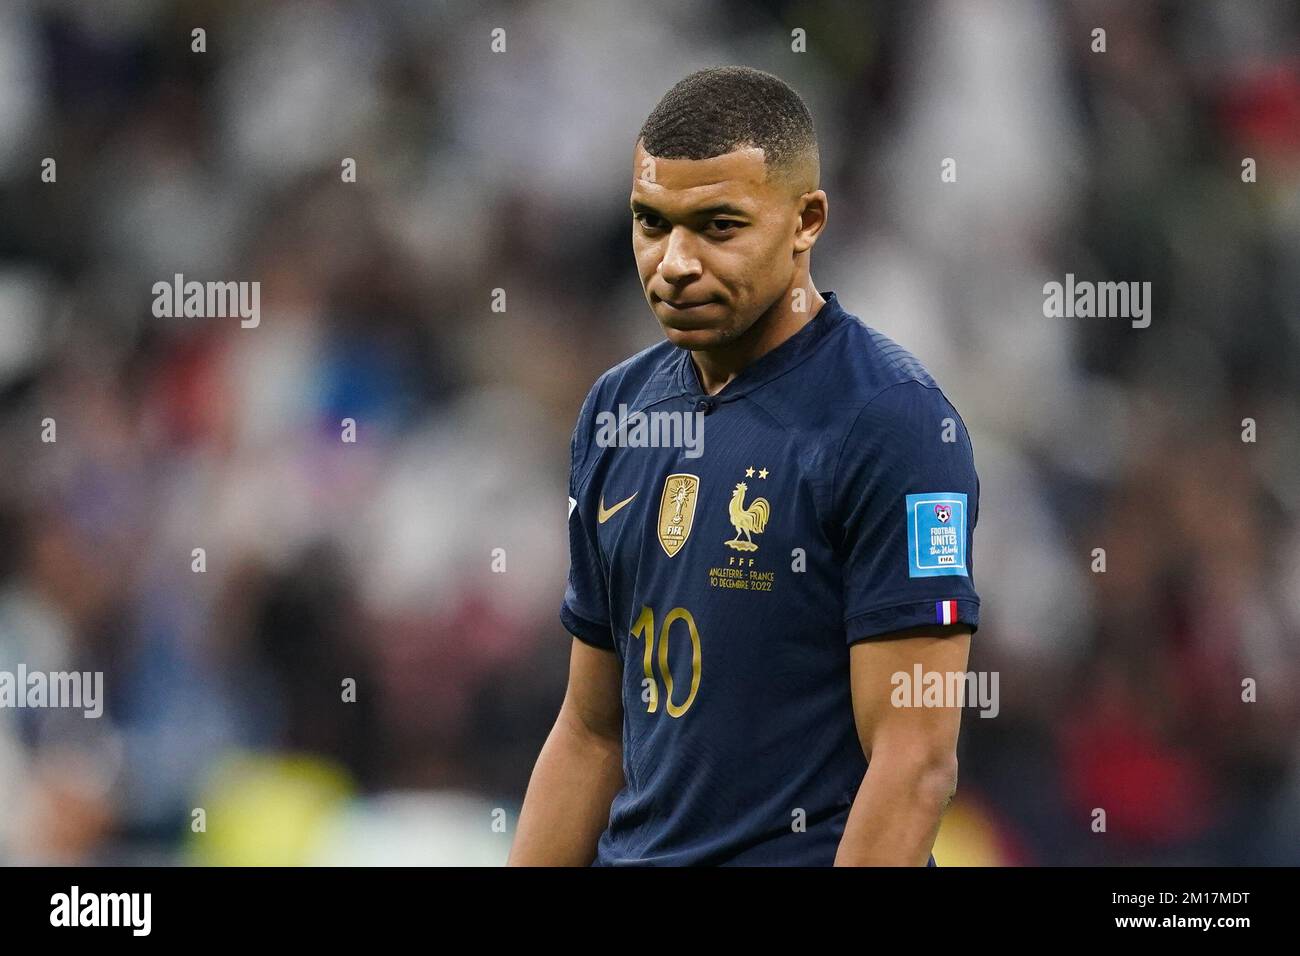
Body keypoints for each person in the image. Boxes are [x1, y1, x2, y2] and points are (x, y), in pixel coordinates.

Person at [510, 66, 980, 866]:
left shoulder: (893, 424)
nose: (675, 263)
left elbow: (915, 763)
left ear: (807, 221)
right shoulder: (618, 412)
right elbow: (591, 732)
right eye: (651, 223)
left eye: (718, 226)